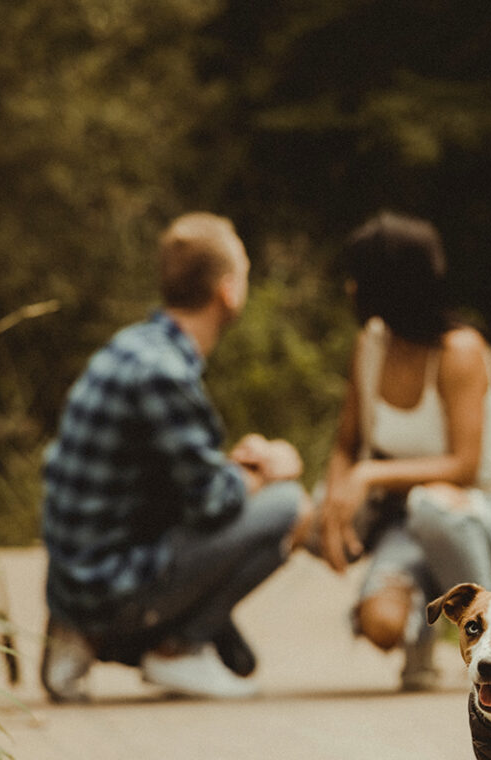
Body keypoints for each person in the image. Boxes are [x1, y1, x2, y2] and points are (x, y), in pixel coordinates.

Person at [39, 212, 310, 702]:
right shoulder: (164, 373)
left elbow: (163, 480)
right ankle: (176, 651)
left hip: (75, 580)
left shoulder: (128, 348)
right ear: (228, 291)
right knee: (289, 505)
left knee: (239, 660)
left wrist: (235, 467)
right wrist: (272, 465)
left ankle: (80, 634)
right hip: (107, 589)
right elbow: (212, 503)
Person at [315, 211, 491, 689]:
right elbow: (344, 444)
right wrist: (336, 503)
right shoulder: (370, 345)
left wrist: (369, 476)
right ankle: (419, 637)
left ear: (388, 284)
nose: (350, 288)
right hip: (408, 520)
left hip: (487, 516)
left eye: (358, 277)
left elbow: (463, 466)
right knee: (378, 620)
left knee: (431, 504)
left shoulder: (459, 350)